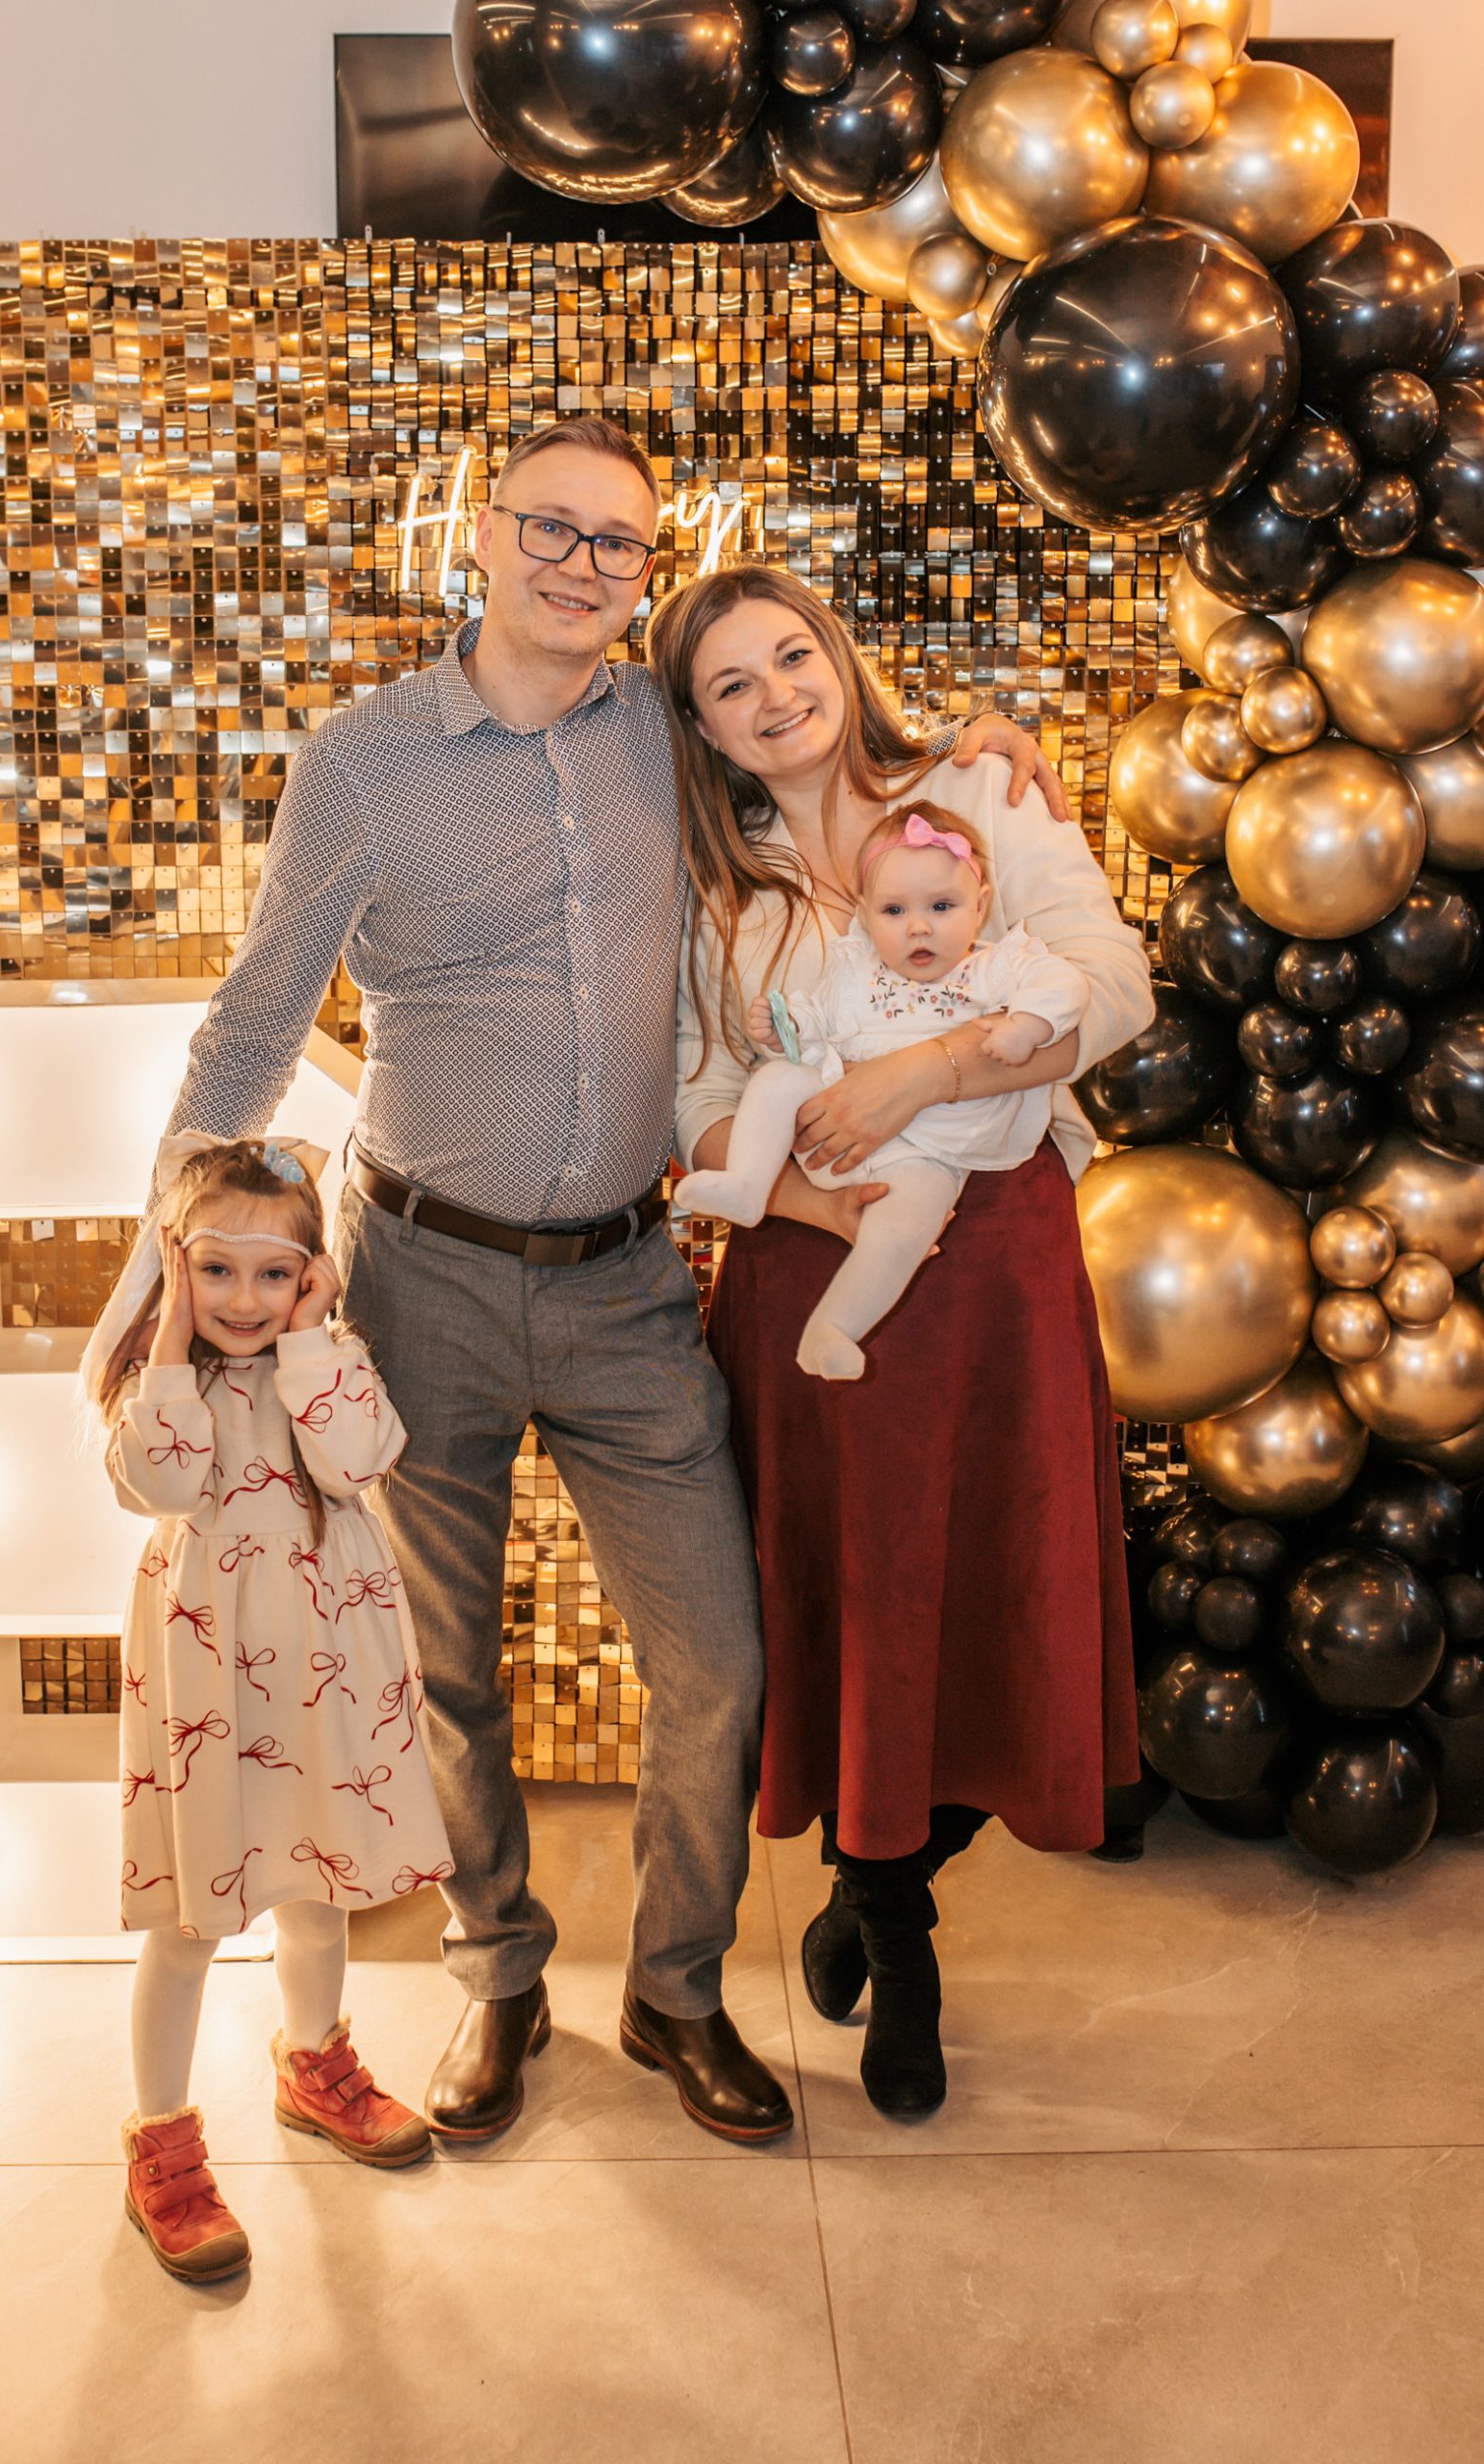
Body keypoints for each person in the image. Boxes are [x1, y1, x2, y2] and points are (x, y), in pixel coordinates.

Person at [157, 413, 1057, 2146]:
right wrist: (162, 1263)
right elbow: (259, 1016)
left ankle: (674, 1989)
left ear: (648, 569)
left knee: (717, 1660)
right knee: (445, 1670)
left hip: (631, 1280)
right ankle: (499, 1974)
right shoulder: (363, 759)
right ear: (482, 535)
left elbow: (825, 756)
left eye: (618, 542)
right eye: (550, 528)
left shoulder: (666, 727)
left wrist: (970, 750)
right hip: (416, 1275)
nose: (581, 565)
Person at [651, 562, 1151, 2123]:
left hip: (997, 1269)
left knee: (1003, 1594)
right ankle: (895, 1938)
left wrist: (924, 1075)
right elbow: (691, 1090)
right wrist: (801, 1188)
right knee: (849, 1609)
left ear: (837, 654)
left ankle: (880, 1884)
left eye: (791, 656)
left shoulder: (979, 791)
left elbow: (1114, 992)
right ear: (700, 727)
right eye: (731, 685)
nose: (775, 697)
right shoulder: (712, 884)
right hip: (813, 1286)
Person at [86, 1135, 451, 2282]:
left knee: (319, 1881)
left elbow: (360, 1458)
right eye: (216, 1269)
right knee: (190, 1920)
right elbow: (163, 1482)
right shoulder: (158, 1382)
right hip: (212, 1671)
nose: (244, 1298)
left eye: (274, 1273)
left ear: (310, 1274)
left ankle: (313, 2064)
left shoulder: (324, 1359)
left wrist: (312, 1335)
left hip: (322, 1663)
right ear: (175, 1263)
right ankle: (161, 2138)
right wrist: (169, 1340)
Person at [676, 798, 1089, 1379]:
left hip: (929, 1152)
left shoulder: (992, 967)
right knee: (777, 1080)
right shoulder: (857, 971)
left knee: (906, 1228)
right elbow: (813, 1020)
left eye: (942, 906)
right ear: (866, 915)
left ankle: (834, 1328)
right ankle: (747, 1184)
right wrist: (781, 1027)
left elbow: (1065, 984)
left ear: (980, 905)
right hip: (830, 1137)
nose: (919, 926)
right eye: (894, 910)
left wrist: (1028, 1025)